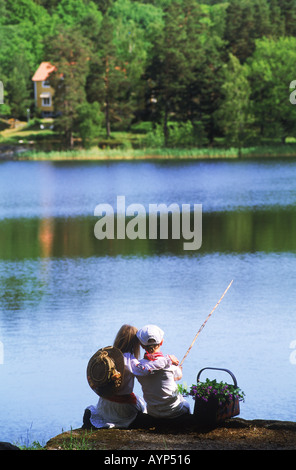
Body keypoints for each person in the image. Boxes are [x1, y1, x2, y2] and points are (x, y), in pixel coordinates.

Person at [83, 324, 176, 429]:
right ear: (136, 343)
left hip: (104, 403)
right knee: (140, 405)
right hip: (122, 407)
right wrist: (167, 360)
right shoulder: (129, 359)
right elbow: (144, 370)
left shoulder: (109, 355)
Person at [135, 324, 191, 419]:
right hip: (175, 411)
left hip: (153, 412)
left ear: (141, 345)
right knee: (187, 404)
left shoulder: (139, 367)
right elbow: (178, 376)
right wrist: (178, 369)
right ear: (161, 342)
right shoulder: (169, 364)